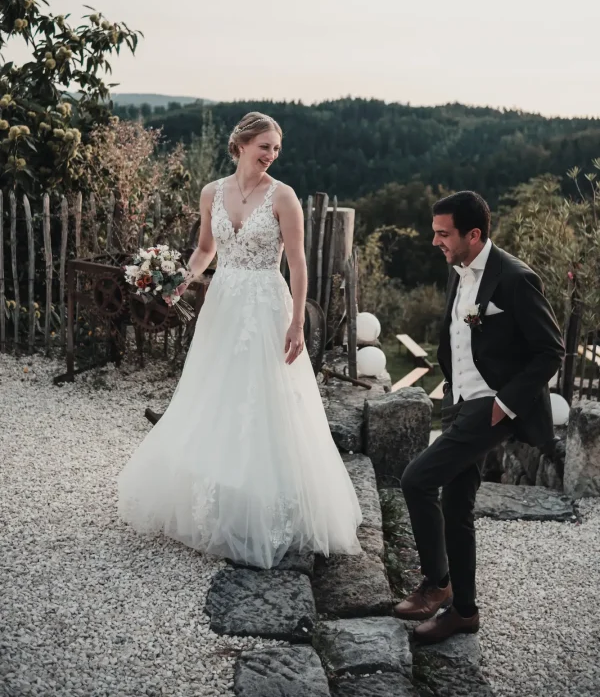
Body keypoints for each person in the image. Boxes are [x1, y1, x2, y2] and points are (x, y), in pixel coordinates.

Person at [118, 112, 362, 568]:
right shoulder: (212, 191)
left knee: (263, 397)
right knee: (215, 392)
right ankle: (212, 497)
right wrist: (177, 280)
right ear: (241, 145)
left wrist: (295, 325)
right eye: (264, 146)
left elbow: (299, 265)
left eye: (276, 149)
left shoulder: (283, 197)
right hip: (224, 301)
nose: (270, 155)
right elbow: (206, 249)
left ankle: (265, 502)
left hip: (267, 304)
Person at [394, 191, 564, 643]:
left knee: (417, 479)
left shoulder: (514, 279)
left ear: (474, 234)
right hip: (460, 401)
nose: (435, 242)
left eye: (442, 234)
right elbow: (457, 340)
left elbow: (551, 351)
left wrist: (502, 406)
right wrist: (452, 392)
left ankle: (437, 583)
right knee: (456, 504)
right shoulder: (458, 271)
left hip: (491, 406)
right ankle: (463, 612)